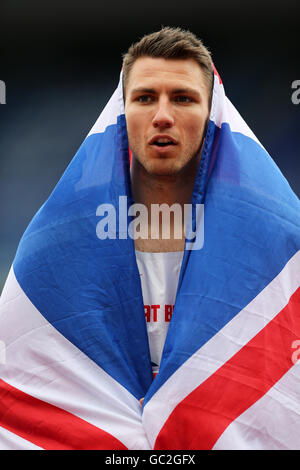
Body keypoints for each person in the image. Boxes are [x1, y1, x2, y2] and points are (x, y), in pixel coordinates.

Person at [0, 27, 299, 450]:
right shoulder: (52, 248)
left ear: (213, 114)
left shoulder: (282, 248)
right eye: (144, 98)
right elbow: (23, 397)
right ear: (122, 114)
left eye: (182, 98)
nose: (162, 115)